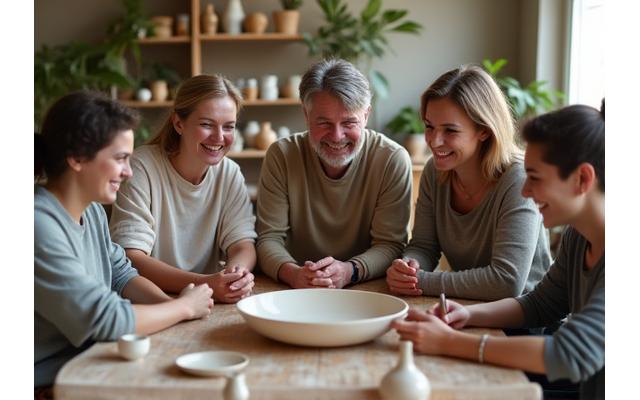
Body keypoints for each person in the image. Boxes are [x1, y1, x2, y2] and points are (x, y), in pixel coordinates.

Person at [392, 101, 605, 400]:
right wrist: (467, 314)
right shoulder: (578, 236)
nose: (526, 191)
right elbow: (540, 305)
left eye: (535, 178)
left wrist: (449, 343)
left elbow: (570, 354)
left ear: (582, 179)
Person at [35, 91, 214, 390]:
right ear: (77, 158)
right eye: (120, 159)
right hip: (50, 384)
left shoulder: (91, 210)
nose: (129, 172)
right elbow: (104, 319)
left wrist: (172, 305)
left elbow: (121, 274)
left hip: (90, 365)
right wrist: (183, 308)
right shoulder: (38, 226)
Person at [386, 65, 551, 301]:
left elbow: (507, 282)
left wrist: (419, 281)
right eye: (429, 126)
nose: (434, 141)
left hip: (526, 318)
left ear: (484, 130)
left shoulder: (518, 178)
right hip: (467, 305)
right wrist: (409, 266)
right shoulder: (434, 170)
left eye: (450, 131)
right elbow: (424, 246)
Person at [256, 58, 412, 289]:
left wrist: (350, 271)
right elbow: (268, 239)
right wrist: (296, 275)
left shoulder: (392, 159)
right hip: (293, 286)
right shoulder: (281, 155)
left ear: (366, 115)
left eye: (349, 122)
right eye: (324, 123)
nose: (337, 136)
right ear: (306, 115)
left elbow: (391, 245)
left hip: (365, 287)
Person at [109, 75, 257, 304]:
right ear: (179, 123)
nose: (219, 137)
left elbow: (243, 244)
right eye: (207, 124)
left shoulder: (230, 173)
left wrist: (235, 277)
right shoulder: (141, 166)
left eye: (228, 127)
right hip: (151, 300)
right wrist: (207, 283)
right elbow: (132, 257)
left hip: (206, 299)